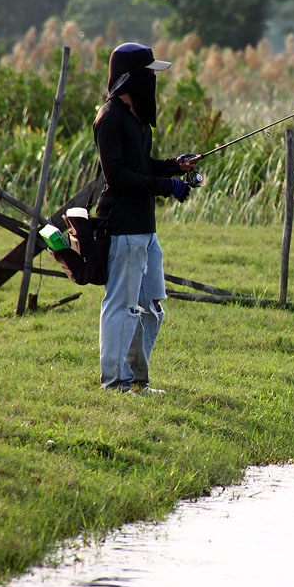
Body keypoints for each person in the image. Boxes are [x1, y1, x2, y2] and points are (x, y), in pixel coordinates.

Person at [93, 42, 197, 394]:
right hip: (122, 228)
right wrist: (167, 186)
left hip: (146, 230)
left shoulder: (139, 120)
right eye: (149, 73)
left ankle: (138, 380)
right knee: (121, 306)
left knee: (152, 307)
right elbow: (117, 176)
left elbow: (142, 165)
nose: (153, 79)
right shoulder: (109, 119)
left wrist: (174, 166)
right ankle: (115, 382)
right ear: (130, 78)